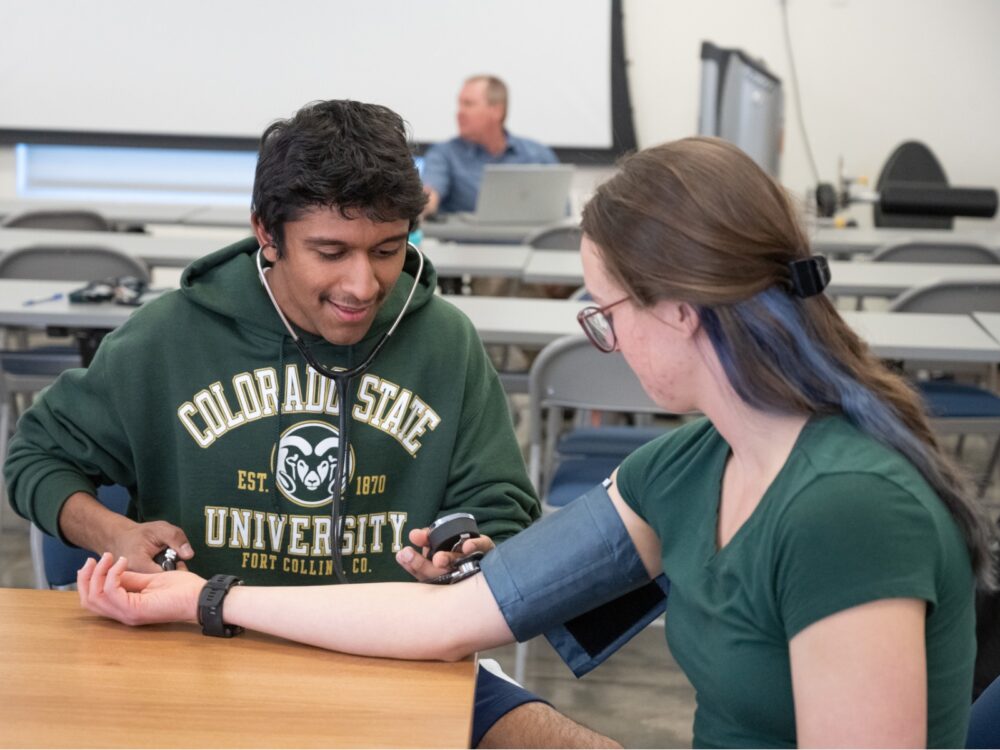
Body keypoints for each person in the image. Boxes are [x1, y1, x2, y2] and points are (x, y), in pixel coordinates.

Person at [76, 136, 997, 747]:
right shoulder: (687, 467)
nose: (607, 335)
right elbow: (445, 619)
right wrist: (207, 598)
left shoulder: (847, 510)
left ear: (678, 309)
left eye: (605, 311)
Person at [4, 99, 618, 749]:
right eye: (330, 252)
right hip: (202, 651)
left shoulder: (445, 342)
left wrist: (468, 553)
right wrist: (114, 531)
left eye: (388, 249)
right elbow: (36, 456)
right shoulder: (170, 337)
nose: (363, 284)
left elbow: (500, 508)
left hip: (395, 657)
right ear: (266, 234)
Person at [421, 75, 558, 216]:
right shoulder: (444, 155)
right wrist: (421, 203)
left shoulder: (538, 156)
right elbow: (430, 194)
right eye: (459, 104)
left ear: (497, 111)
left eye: (468, 104)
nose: (459, 112)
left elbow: (560, 213)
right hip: (465, 238)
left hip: (525, 238)